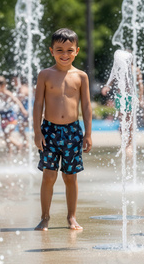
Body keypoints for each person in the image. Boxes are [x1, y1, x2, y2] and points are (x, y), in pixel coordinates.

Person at [33, 28, 92, 231]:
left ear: (76, 51)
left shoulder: (81, 76)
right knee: (49, 175)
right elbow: (38, 105)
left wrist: (88, 134)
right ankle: (45, 217)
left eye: (69, 50)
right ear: (51, 51)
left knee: (70, 176)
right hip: (49, 130)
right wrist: (37, 132)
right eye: (59, 50)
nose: (64, 54)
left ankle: (71, 217)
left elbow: (86, 106)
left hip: (73, 131)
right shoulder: (45, 75)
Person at [101, 50, 144, 159]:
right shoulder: (120, 69)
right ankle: (124, 143)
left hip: (131, 97)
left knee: (131, 121)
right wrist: (107, 86)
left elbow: (141, 85)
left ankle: (130, 143)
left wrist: (141, 97)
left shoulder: (136, 70)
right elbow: (112, 78)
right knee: (122, 121)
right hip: (121, 97)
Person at [0, 76, 28, 154]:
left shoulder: (7, 93)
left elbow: (17, 101)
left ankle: (18, 145)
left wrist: (23, 110)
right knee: (5, 137)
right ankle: (10, 153)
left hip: (11, 118)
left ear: (3, 86)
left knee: (6, 134)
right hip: (4, 118)